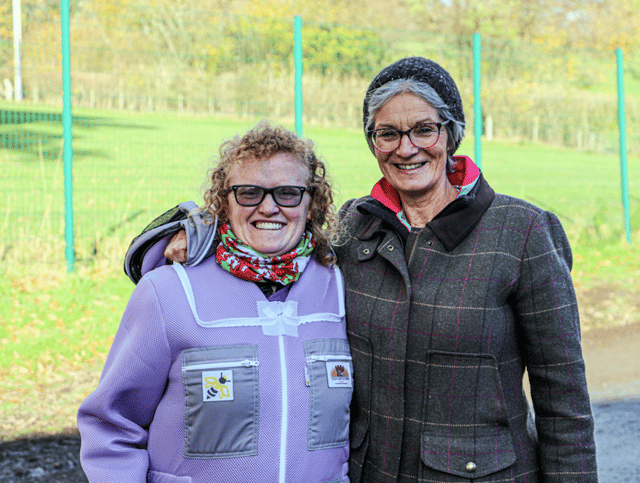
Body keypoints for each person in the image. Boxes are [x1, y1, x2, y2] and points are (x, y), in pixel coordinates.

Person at [126, 57, 598, 482]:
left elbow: (565, 403)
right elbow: (272, 223)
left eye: (423, 129)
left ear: (451, 133)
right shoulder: (355, 228)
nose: (406, 148)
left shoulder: (522, 233)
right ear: (373, 142)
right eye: (387, 133)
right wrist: (198, 232)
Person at [77, 122, 353, 483]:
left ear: (312, 203)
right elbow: (112, 425)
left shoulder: (339, 286)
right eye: (249, 193)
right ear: (223, 202)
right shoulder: (168, 292)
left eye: (288, 193)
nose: (269, 207)